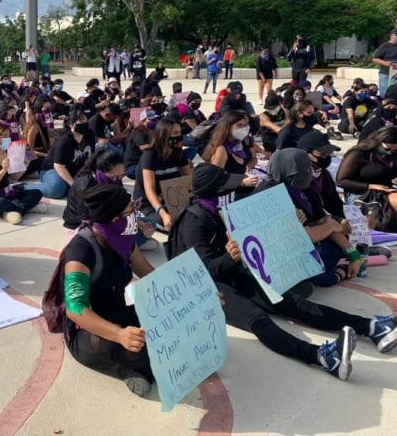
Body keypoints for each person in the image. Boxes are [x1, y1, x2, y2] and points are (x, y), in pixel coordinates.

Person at [166, 163, 397, 381]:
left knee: (293, 303)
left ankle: (372, 327)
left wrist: (291, 218)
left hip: (232, 271)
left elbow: (262, 224)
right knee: (258, 320)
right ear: (216, 191)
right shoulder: (195, 221)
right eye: (227, 185)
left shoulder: (223, 208)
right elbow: (207, 269)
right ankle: (322, 357)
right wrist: (230, 257)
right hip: (203, 285)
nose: (234, 188)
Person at [61, 183, 157, 396]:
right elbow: (74, 308)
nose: (135, 215)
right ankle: (130, 366)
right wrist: (120, 335)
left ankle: (136, 361)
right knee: (133, 347)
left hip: (118, 314)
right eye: (131, 210)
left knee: (164, 318)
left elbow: (149, 273)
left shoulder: (124, 240)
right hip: (88, 331)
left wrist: (192, 292)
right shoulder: (81, 251)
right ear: (115, 220)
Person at [258, 149, 365, 286]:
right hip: (281, 251)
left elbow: (323, 220)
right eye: (306, 168)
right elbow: (307, 235)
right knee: (319, 276)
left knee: (322, 262)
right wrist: (331, 226)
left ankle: (350, 255)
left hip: (308, 243)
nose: (309, 172)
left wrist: (353, 255)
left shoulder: (305, 189)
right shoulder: (268, 194)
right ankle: (340, 271)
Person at [0, 123, 44, 225]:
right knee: (0, 204)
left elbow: (13, 177)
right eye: (4, 136)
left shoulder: (7, 152)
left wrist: (23, 167)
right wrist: (3, 170)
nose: (8, 138)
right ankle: (21, 208)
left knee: (37, 193)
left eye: (8, 135)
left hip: (6, 192)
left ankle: (13, 211)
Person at [132, 117, 191, 230]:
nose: (179, 136)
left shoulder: (178, 153)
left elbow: (189, 179)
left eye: (180, 132)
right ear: (164, 135)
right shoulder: (150, 156)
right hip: (148, 203)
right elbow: (149, 191)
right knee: (166, 223)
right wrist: (163, 214)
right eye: (175, 133)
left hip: (171, 199)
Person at [336, 127, 397, 232]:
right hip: (360, 192)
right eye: (387, 149)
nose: (390, 152)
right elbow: (341, 181)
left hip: (384, 190)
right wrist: (371, 186)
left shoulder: (393, 156)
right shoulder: (359, 153)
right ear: (378, 141)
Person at [34, 107, 97, 199]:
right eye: (80, 122)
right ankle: (26, 188)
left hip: (73, 170)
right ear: (71, 124)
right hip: (52, 169)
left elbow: (91, 158)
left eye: (85, 121)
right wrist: (74, 185)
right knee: (57, 189)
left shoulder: (89, 134)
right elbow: (58, 166)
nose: (84, 124)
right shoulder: (64, 140)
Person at [201, 110, 258, 200]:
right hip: (230, 196)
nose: (244, 128)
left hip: (241, 190)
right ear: (227, 128)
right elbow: (215, 180)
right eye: (239, 125)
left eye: (245, 125)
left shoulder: (238, 143)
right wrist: (242, 182)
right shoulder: (221, 149)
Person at [123, 109, 156, 180]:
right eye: (151, 119)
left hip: (143, 164)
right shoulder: (139, 132)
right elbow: (144, 148)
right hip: (132, 167)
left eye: (155, 119)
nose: (154, 121)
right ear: (143, 121)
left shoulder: (153, 132)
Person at [373, 28, 397, 95]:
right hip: (386, 74)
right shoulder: (385, 46)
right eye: (396, 35)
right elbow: (375, 59)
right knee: (384, 93)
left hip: (396, 74)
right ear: (391, 36)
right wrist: (385, 63)